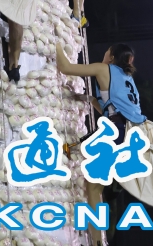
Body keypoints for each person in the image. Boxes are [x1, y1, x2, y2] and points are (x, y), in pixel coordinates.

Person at [56, 42, 145, 246]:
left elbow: (65, 67)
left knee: (94, 188)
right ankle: (98, 238)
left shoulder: (103, 68)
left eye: (107, 51)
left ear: (112, 57)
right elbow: (113, 110)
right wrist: (90, 99)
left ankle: (97, 241)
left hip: (116, 133)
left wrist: (57, 44)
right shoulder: (127, 79)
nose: (104, 53)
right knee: (96, 185)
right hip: (132, 135)